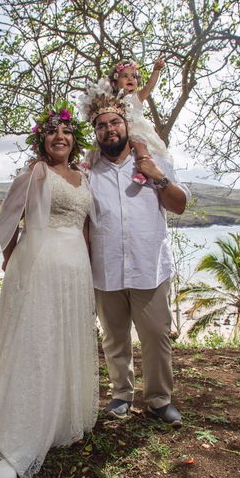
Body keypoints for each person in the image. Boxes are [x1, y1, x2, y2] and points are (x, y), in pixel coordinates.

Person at [0, 100, 98, 478]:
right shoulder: (36, 172)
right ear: (42, 141)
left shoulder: (84, 177)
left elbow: (86, 227)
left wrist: (88, 267)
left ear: (75, 140)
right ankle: (16, 437)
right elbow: (7, 218)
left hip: (75, 268)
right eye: (53, 131)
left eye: (67, 131)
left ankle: (58, 421)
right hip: (38, 266)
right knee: (36, 343)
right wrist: (13, 259)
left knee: (65, 340)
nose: (60, 136)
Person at [79, 89, 190, 426]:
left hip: (149, 267)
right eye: (101, 125)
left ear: (126, 125)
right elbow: (82, 221)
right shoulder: (87, 172)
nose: (109, 129)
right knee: (114, 338)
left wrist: (157, 175)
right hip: (106, 269)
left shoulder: (152, 160)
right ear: (95, 133)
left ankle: (158, 400)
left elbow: (180, 205)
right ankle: (121, 395)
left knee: (156, 335)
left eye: (114, 122)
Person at [109, 57, 169, 184]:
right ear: (115, 82)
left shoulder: (137, 97)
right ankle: (88, 163)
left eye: (133, 76)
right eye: (125, 76)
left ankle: (143, 172)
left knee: (139, 145)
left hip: (136, 130)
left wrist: (156, 71)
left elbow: (149, 86)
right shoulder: (113, 101)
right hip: (120, 132)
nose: (130, 79)